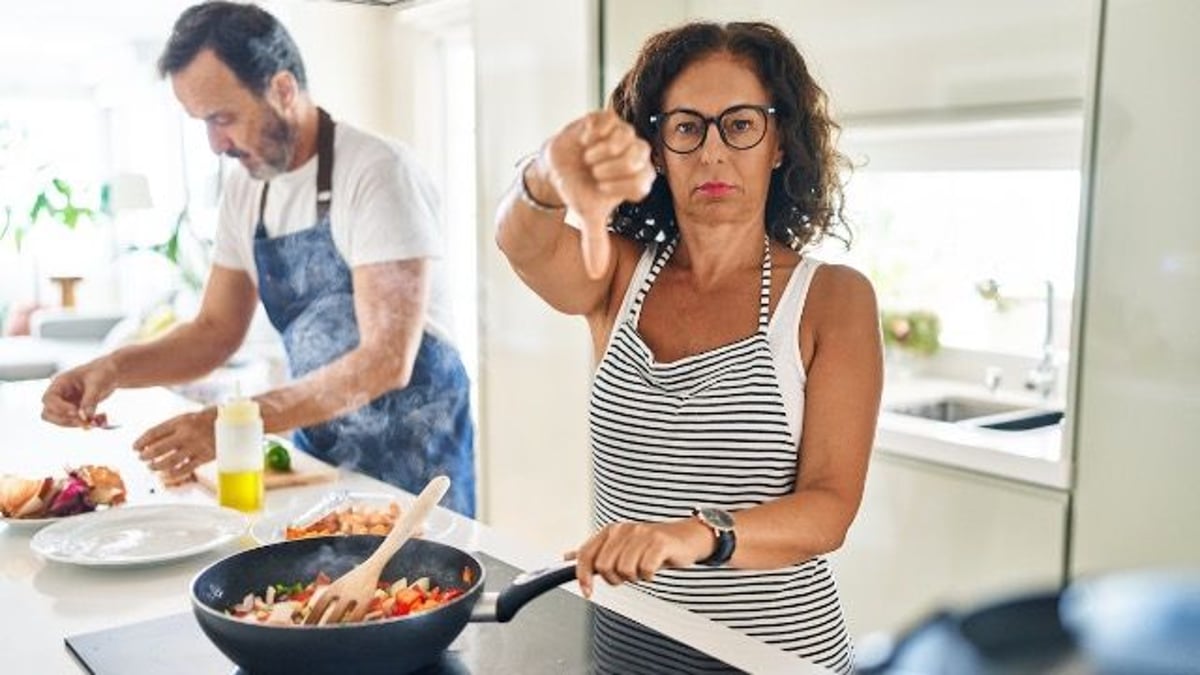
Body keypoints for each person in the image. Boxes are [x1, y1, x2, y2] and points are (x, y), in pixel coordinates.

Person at [496, 20, 882, 672]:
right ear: (657, 147)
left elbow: (828, 508)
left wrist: (691, 534)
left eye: (739, 124)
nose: (711, 152)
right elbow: (522, 243)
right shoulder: (617, 274)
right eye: (686, 127)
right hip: (628, 641)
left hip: (773, 654)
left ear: (779, 140)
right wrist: (544, 171)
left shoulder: (831, 298)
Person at [40, 1, 475, 516]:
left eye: (224, 118)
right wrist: (111, 369)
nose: (215, 144)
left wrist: (236, 420)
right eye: (202, 123)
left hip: (418, 465)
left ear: (284, 90)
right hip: (323, 462)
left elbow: (385, 360)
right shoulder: (248, 188)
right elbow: (214, 331)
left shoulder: (378, 173)